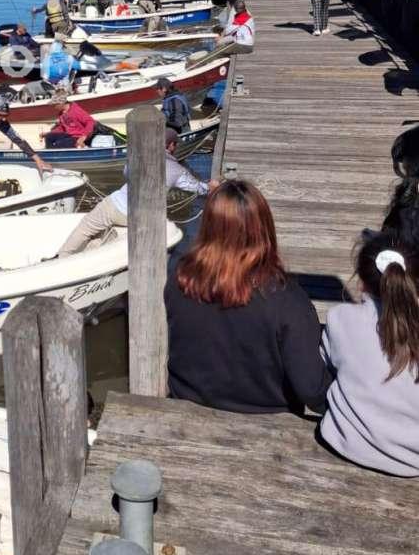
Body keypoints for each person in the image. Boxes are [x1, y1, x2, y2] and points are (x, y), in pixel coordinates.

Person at [165, 180, 331, 414]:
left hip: (187, 408)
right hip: (266, 420)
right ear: (264, 229)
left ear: (207, 227)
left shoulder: (180, 281)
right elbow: (313, 391)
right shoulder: (288, 301)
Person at [319, 233, 419, 476]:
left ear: (361, 281)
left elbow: (324, 366)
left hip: (344, 442)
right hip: (411, 459)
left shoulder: (339, 318)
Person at [58, 126, 215, 254]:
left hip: (113, 205)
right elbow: (197, 188)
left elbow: (126, 173)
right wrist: (210, 186)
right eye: (175, 145)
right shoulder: (177, 170)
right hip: (138, 218)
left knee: (84, 229)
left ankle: (63, 256)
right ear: (171, 145)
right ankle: (95, 249)